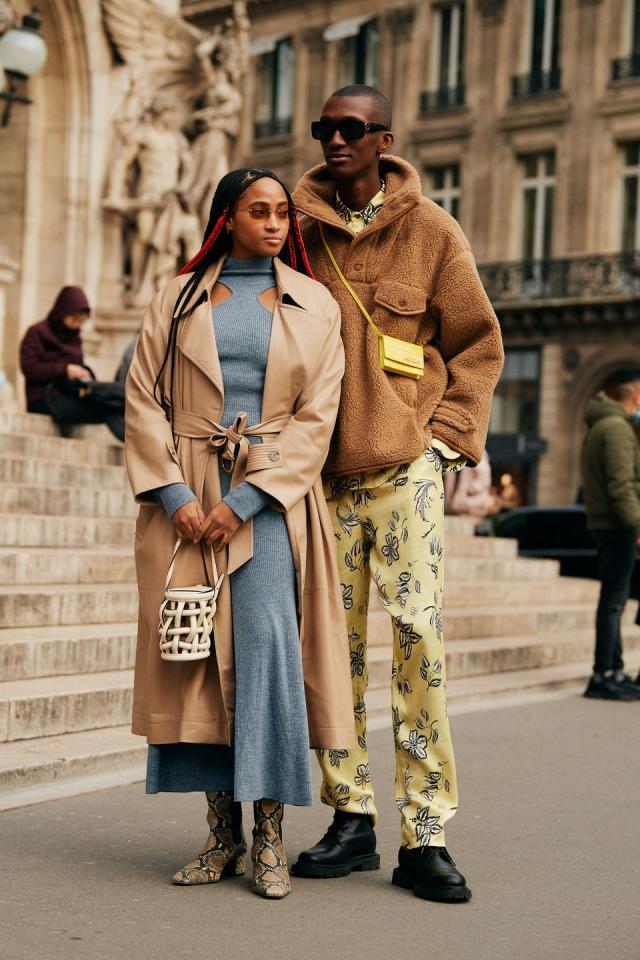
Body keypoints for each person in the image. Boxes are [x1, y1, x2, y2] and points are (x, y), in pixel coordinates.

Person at [291, 85, 504, 903]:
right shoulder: (302, 235)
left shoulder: (432, 230)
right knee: (331, 655)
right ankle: (351, 818)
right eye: (325, 128)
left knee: (419, 641)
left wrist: (444, 442)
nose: (334, 139)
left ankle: (425, 833)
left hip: (403, 473)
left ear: (383, 138)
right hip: (323, 480)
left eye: (350, 129)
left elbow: (478, 344)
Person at [124, 168, 355, 900]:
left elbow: (319, 417)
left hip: (274, 503)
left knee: (266, 660)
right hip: (186, 498)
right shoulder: (176, 296)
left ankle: (270, 839)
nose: (277, 222)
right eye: (260, 211)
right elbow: (142, 397)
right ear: (226, 216)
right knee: (194, 664)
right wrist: (174, 493)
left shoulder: (315, 302)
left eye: (284, 212)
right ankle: (220, 837)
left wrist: (248, 498)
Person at [581, 377, 640, 701]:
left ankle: (613, 670)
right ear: (635, 397)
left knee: (613, 601)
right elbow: (622, 484)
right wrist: (637, 525)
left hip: (607, 522)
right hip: (617, 524)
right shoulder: (615, 428)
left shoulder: (601, 425)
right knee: (613, 602)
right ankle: (604, 673)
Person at [20, 286, 125, 441]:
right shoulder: (37, 332)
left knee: (116, 401)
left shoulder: (75, 337)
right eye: (74, 319)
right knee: (107, 409)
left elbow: (77, 366)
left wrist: (83, 372)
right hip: (45, 398)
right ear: (62, 313)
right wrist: (65, 369)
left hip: (71, 393)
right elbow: (29, 368)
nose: (77, 325)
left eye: (81, 321)